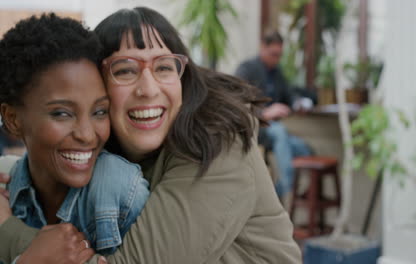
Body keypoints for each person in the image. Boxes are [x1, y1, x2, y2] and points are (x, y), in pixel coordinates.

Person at [0, 7, 302, 264]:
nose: (148, 89)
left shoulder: (216, 145)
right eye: (125, 70)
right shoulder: (107, 151)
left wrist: (7, 231)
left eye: (164, 67)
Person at [0, 14, 149, 263]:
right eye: (62, 113)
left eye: (99, 111)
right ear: (13, 119)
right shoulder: (7, 191)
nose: (87, 134)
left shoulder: (120, 189)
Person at [235, 31, 312, 200]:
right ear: (263, 47)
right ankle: (285, 188)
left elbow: (289, 93)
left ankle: (277, 193)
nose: (276, 59)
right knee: (279, 131)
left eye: (279, 55)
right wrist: (265, 113)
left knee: (304, 149)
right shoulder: (247, 69)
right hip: (256, 129)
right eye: (273, 54)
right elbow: (236, 103)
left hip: (275, 132)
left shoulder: (277, 73)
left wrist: (297, 103)